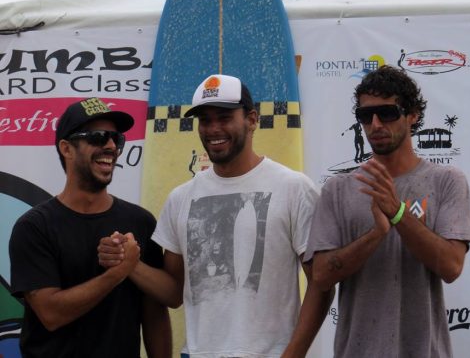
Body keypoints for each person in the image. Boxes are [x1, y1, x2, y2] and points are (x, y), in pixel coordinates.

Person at [98, 74, 333, 357]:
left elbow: (322, 283)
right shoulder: (180, 198)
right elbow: (174, 292)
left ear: (252, 120)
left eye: (224, 117)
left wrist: (293, 353)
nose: (213, 129)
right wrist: (131, 264)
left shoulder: (293, 188)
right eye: (205, 120)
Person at [305, 65, 470, 357]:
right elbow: (320, 277)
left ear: (412, 115)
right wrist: (376, 234)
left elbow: (451, 266)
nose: (375, 124)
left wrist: (397, 214)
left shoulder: (446, 180)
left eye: (387, 113)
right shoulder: (338, 189)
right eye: (365, 116)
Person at [9, 97, 171, 358]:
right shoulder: (34, 227)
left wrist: (133, 266)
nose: (110, 146)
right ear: (66, 148)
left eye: (116, 139)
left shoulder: (140, 222)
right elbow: (51, 313)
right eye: (97, 137)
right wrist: (117, 272)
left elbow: (156, 310)